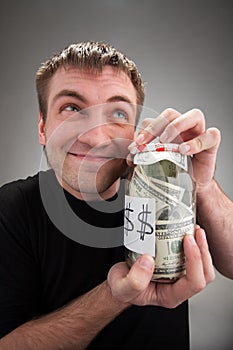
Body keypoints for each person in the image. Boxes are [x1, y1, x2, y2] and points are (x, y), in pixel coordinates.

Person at [0, 41, 232, 350]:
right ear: (43, 127)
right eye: (72, 108)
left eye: (118, 113)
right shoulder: (11, 209)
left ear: (136, 132)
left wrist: (200, 184)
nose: (95, 137)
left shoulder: (167, 190)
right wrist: (114, 297)